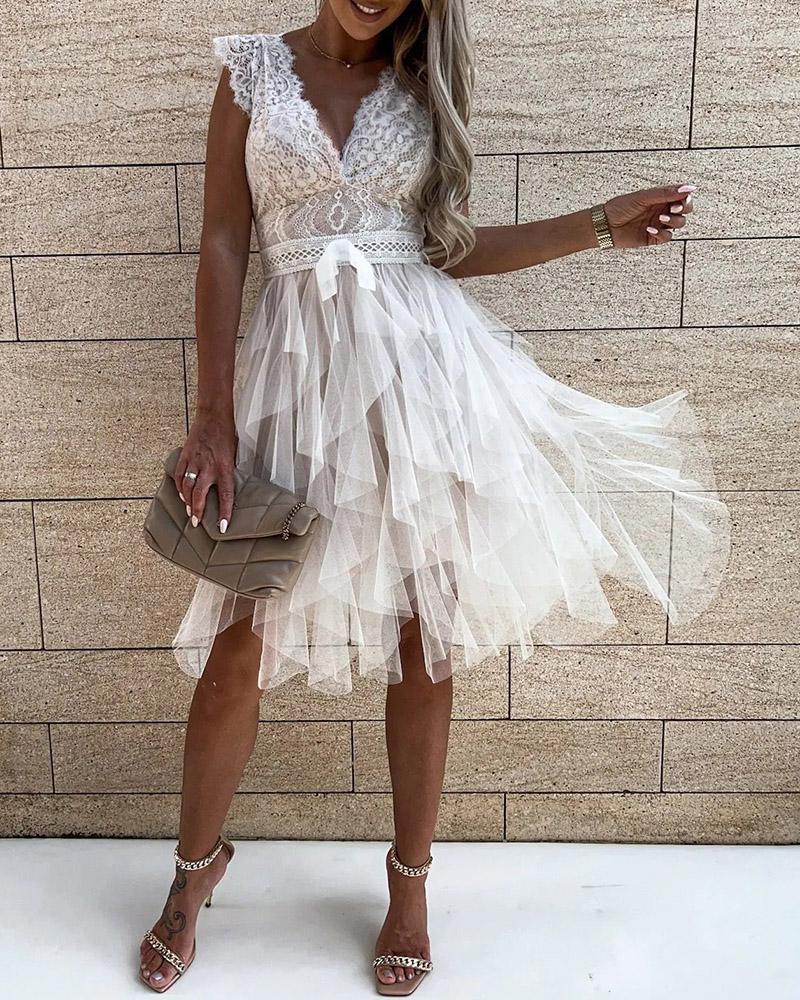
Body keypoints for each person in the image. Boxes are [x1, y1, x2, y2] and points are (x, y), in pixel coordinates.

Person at [138, 0, 731, 994]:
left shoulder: (420, 87)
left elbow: (442, 249)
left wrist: (598, 226)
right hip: (293, 387)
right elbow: (225, 242)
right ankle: (193, 872)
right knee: (241, 637)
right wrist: (211, 418)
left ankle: (408, 884)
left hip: (421, 383)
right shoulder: (250, 75)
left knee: (425, 630)